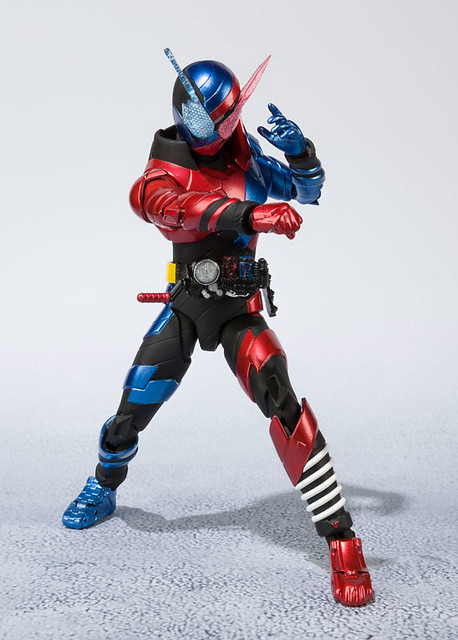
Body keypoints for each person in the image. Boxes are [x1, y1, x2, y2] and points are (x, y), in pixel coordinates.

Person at [62, 49, 373, 606]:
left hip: (238, 310)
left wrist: (300, 152)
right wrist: (251, 215)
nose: (194, 126)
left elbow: (308, 190)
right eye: (188, 112)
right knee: (132, 407)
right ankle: (102, 484)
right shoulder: (165, 167)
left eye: (205, 117)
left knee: (284, 404)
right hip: (186, 305)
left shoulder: (249, 164)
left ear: (229, 117)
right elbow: (169, 206)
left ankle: (341, 538)